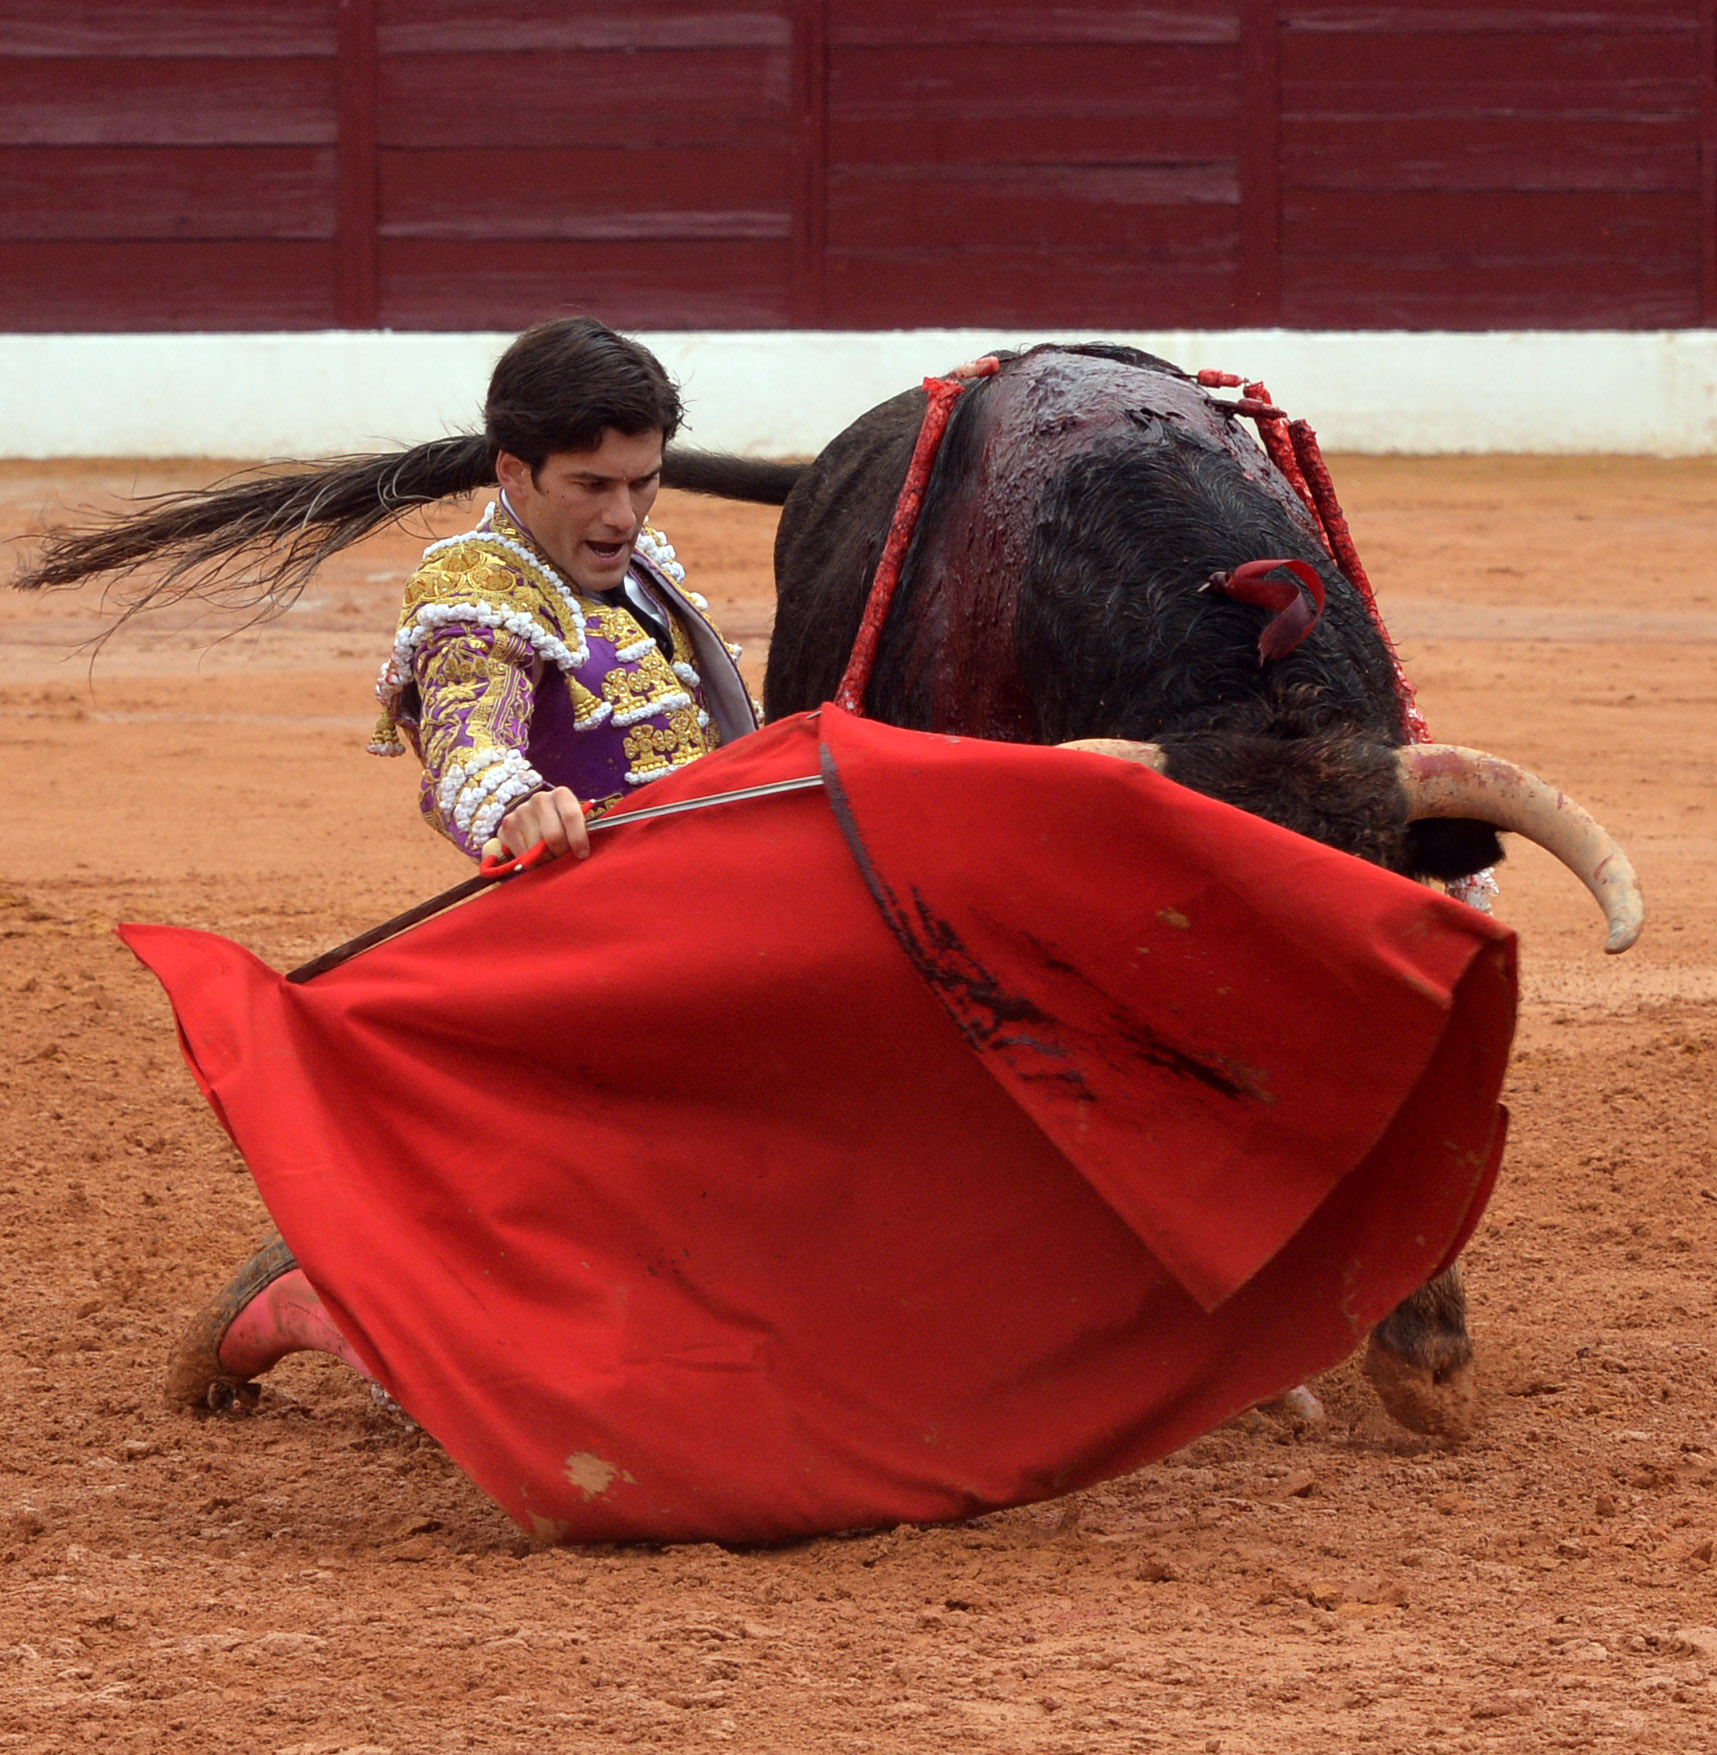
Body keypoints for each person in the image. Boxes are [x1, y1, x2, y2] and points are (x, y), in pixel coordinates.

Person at [18, 316, 761, 1412]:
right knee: (522, 1335)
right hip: (581, 957)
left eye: (643, 484)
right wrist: (515, 805)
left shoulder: (639, 568)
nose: (621, 513)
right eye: (592, 484)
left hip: (679, 936)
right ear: (514, 470)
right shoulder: (478, 593)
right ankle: (314, 1305)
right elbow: (467, 744)